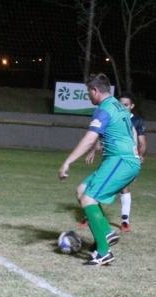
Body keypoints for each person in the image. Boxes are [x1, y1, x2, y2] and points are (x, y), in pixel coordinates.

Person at [58, 73, 141, 266]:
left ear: (95, 91)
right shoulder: (119, 106)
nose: (89, 96)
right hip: (123, 160)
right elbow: (133, 131)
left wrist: (67, 162)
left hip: (120, 160)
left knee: (88, 198)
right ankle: (106, 232)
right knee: (81, 191)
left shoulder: (104, 110)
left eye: (89, 92)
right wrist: (135, 157)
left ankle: (104, 252)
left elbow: (89, 140)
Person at [82, 91, 147, 233]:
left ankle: (124, 220)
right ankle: (93, 215)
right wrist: (93, 150)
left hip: (124, 159)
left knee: (122, 187)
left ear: (132, 106)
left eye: (126, 104)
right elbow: (101, 136)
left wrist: (139, 154)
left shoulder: (136, 121)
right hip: (110, 157)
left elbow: (142, 143)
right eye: (120, 103)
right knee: (97, 184)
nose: (123, 107)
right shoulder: (113, 114)